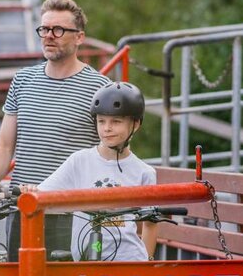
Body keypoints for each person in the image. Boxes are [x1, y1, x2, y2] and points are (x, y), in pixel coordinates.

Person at [0, 0, 110, 256]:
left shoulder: (101, 88)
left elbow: (107, 155)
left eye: (58, 29)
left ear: (79, 37)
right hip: (24, 209)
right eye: (44, 29)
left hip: (72, 213)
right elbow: (4, 146)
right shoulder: (22, 80)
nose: (49, 36)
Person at [34, 82, 157, 261]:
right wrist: (29, 191)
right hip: (86, 259)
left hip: (129, 260)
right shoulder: (80, 161)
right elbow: (42, 194)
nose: (107, 128)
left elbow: (150, 225)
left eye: (116, 121)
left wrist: (146, 267)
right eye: (101, 121)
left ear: (135, 124)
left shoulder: (144, 172)